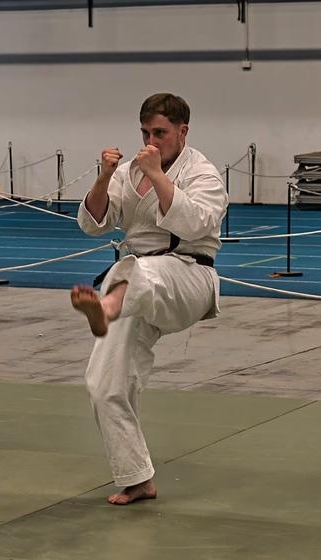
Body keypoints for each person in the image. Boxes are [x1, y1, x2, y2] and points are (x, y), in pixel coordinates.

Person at [71, 93, 226, 506]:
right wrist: (104, 177)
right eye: (145, 133)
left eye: (160, 133)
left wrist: (158, 175)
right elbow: (94, 224)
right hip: (136, 286)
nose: (151, 141)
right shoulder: (128, 172)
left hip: (188, 276)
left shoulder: (203, 173)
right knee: (104, 382)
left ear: (182, 131)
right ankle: (137, 478)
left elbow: (197, 224)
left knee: (137, 272)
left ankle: (106, 308)